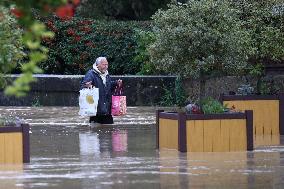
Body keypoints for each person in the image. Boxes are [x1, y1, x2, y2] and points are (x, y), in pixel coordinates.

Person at [80, 57, 122, 125]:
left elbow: (107, 87)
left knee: (109, 131)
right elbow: (83, 87)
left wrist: (116, 83)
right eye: (103, 65)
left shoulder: (106, 74)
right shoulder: (91, 74)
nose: (106, 67)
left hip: (107, 110)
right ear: (97, 65)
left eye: (107, 64)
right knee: (94, 132)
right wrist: (86, 86)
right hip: (96, 111)